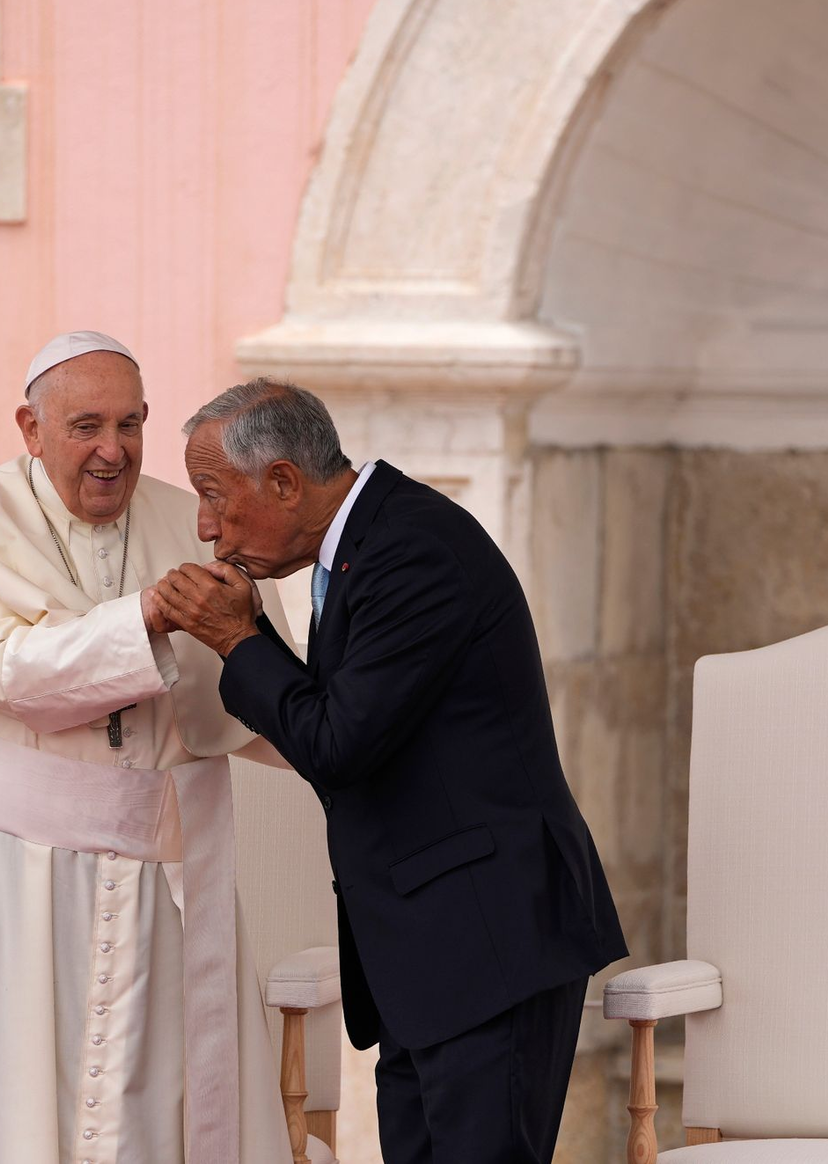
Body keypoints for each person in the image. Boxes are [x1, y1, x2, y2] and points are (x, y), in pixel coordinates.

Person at [155, 379, 629, 1164]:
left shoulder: (413, 550)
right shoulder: (361, 547)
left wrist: (240, 640)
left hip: (486, 945)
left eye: (213, 496)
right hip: (427, 959)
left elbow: (340, 742)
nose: (205, 528)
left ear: (282, 480)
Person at [0, 334, 293, 1164]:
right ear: (31, 427)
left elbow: (258, 682)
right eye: (87, 425)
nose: (113, 449)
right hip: (6, 878)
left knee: (156, 1110)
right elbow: (10, 671)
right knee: (0, 1111)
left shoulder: (196, 522)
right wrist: (149, 618)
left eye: (130, 424)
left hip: (168, 876)